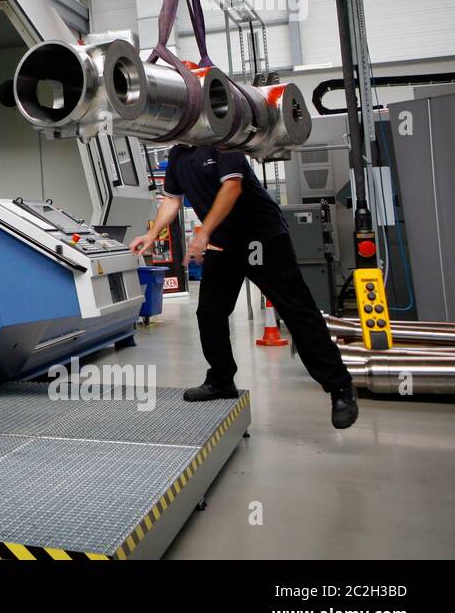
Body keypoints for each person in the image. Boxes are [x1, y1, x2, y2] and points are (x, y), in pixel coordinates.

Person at [130, 144, 358, 429]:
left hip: (262, 237)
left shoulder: (225, 141)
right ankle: (221, 380)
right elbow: (172, 201)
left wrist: (204, 233)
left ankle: (340, 388)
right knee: (210, 312)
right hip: (224, 243)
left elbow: (232, 188)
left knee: (297, 312)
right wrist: (152, 234)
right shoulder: (178, 154)